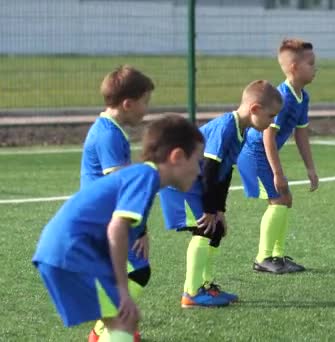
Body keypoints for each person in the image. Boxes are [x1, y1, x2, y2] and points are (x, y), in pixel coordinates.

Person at [32, 115, 203, 342]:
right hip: (73, 250)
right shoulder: (146, 176)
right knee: (123, 319)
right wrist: (122, 289)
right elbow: (116, 229)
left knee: (121, 323)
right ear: (178, 157)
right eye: (197, 162)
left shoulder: (143, 176)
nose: (199, 171)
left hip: (65, 248)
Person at [158, 80, 282, 307]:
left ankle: (206, 286)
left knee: (217, 229)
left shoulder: (242, 130)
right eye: (270, 116)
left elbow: (224, 173)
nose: (272, 122)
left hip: (197, 180)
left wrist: (219, 210)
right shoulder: (226, 127)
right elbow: (210, 169)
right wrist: (208, 209)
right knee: (204, 229)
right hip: (179, 182)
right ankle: (191, 293)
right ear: (254, 109)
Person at [80, 65, 155, 342]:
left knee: (132, 270)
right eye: (145, 102)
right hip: (104, 219)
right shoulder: (109, 135)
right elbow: (120, 188)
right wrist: (141, 226)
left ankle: (107, 328)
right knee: (138, 269)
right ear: (128, 103)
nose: (146, 110)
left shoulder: (109, 129)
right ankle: (109, 328)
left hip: (106, 217)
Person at [237, 39, 319, 274]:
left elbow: (301, 133)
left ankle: (277, 256)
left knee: (285, 200)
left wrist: (310, 168)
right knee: (279, 199)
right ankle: (263, 257)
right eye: (311, 63)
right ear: (294, 68)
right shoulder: (281, 97)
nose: (316, 68)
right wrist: (278, 174)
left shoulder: (303, 96)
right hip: (254, 154)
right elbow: (267, 137)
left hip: (263, 154)